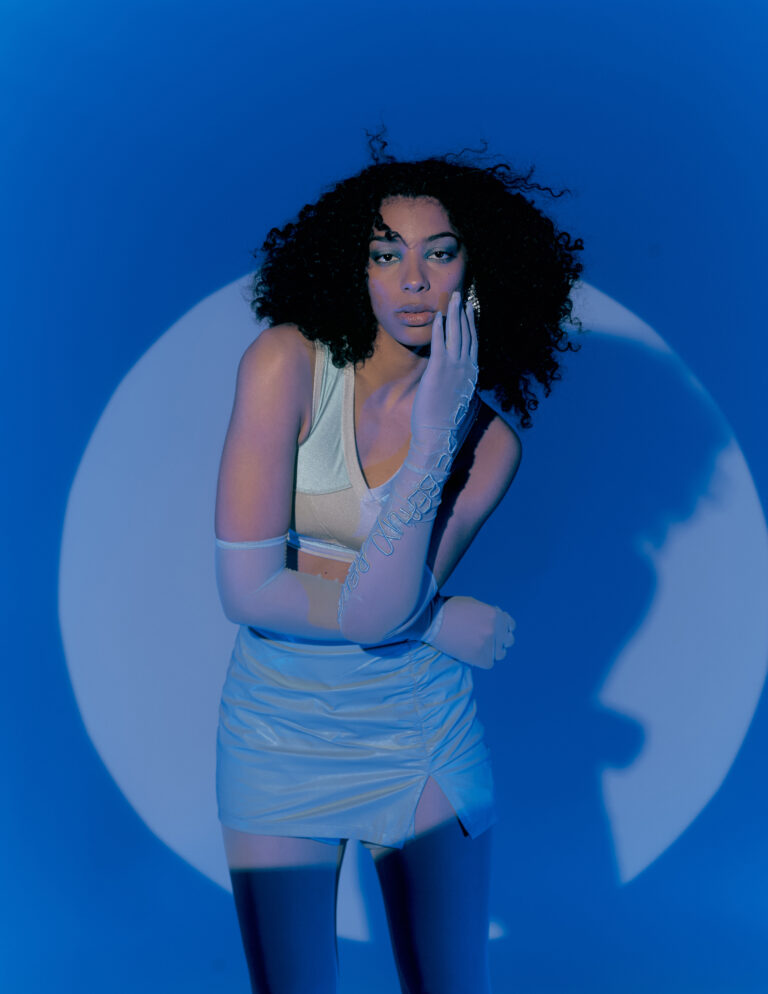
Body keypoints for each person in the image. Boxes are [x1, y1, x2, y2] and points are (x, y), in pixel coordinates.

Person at [213, 143, 583, 994]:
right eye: (386, 255)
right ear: (354, 270)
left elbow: (377, 613)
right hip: (276, 733)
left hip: (420, 733)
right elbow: (246, 590)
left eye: (439, 253)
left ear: (478, 271)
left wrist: (436, 432)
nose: (413, 280)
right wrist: (437, 617)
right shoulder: (285, 363)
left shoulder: (489, 445)